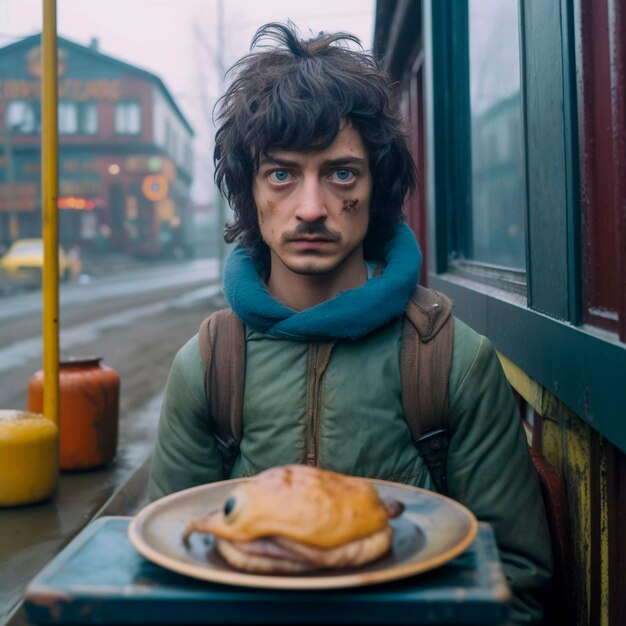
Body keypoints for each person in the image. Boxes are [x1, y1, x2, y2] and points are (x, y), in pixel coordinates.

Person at [148, 23, 552, 624]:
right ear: (250, 192)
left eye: (340, 174)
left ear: (376, 187)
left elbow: (515, 588)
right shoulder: (209, 366)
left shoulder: (451, 362)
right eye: (281, 174)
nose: (310, 209)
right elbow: (164, 572)